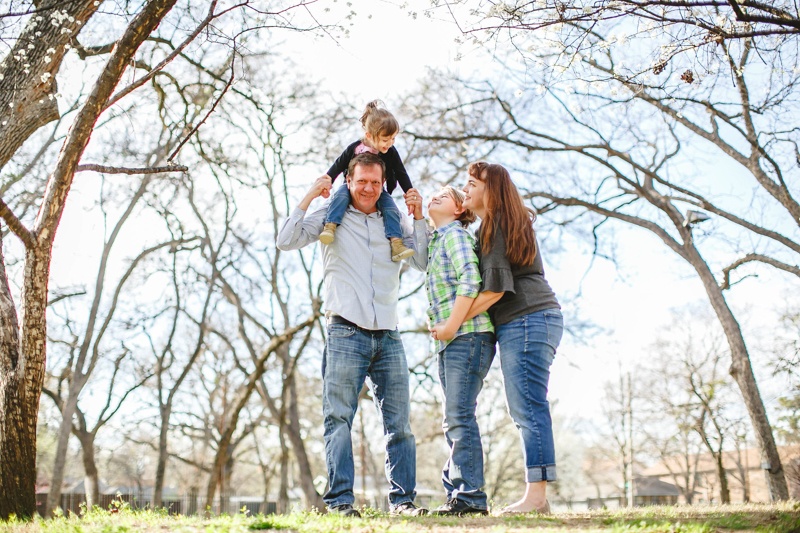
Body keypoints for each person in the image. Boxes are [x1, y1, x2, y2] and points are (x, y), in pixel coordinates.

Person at [276, 152, 429, 517]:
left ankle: (403, 502)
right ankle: (341, 502)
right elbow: (286, 239)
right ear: (349, 181)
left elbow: (423, 262)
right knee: (338, 419)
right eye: (362, 181)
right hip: (345, 331)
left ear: (383, 183)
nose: (369, 189)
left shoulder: (393, 223)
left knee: (400, 426)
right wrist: (310, 195)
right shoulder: (334, 217)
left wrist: (419, 215)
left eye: (376, 183)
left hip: (389, 335)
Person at [435, 161, 563, 515]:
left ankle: (536, 498)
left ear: (490, 191)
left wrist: (451, 323)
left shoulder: (494, 227)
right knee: (526, 406)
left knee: (527, 407)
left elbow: (493, 291)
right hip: (535, 319)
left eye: (473, 183)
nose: (467, 189)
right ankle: (537, 495)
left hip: (526, 320)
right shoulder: (500, 225)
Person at [422, 187, 496, 516]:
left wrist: (451, 325)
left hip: (467, 336)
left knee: (459, 416)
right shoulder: (439, 239)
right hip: (451, 341)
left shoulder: (456, 236)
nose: (435, 196)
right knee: (453, 418)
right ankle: (457, 493)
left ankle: (470, 497)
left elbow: (471, 279)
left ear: (458, 210)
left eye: (445, 195)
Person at [318, 100, 415, 262]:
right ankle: (330, 226)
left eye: (393, 139)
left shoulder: (390, 152)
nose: (390, 144)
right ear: (369, 135)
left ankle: (396, 243)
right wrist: (327, 181)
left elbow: (400, 172)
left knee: (391, 208)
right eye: (385, 140)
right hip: (350, 187)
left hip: (378, 190)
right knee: (340, 197)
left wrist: (409, 193)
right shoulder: (355, 148)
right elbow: (338, 165)